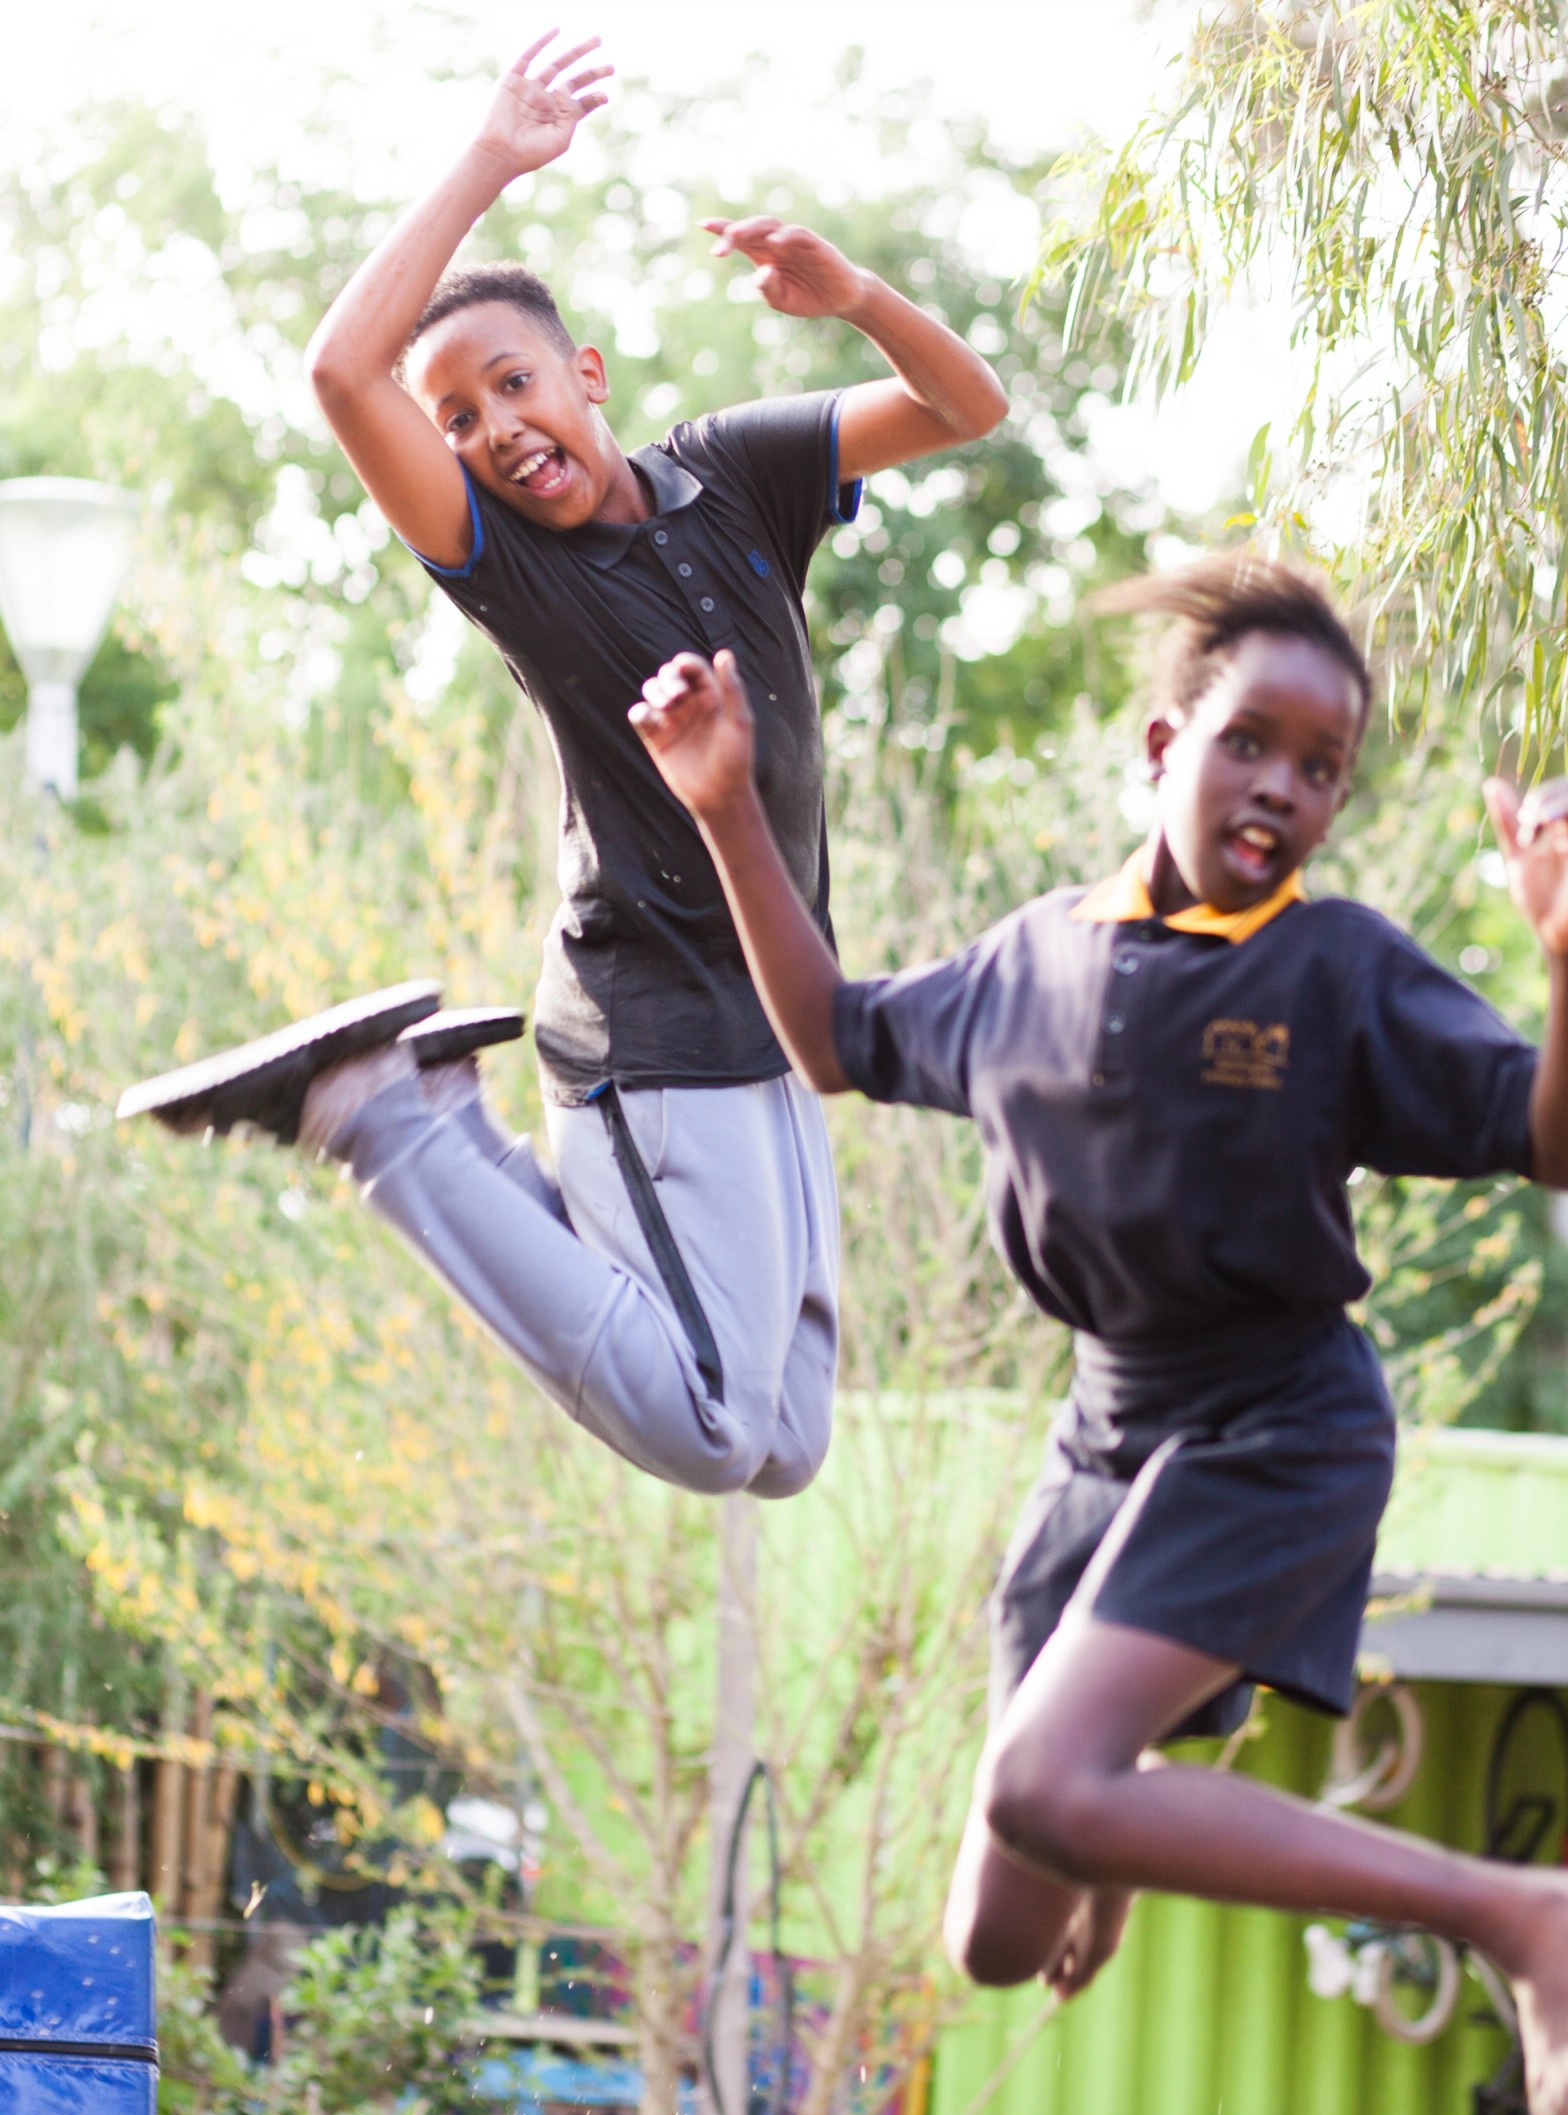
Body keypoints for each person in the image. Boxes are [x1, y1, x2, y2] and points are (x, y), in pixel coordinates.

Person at [625, 557, 1568, 2115]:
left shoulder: (1337, 970)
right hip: (1104, 1441)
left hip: (1278, 1425)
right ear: (1163, 748)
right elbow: (833, 1037)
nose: (1282, 785)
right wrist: (726, 803)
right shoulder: (1032, 961)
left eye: (1322, 766)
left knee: (1043, 1787)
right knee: (995, 1936)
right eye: (1250, 741)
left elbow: (1561, 1142)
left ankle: (1533, 1914)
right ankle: (1120, 1799)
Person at [119, 29, 1006, 1500]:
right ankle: (379, 1119)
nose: (495, 430)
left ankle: (436, 1119)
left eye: (512, 384)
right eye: (458, 420)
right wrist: (492, 157)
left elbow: (970, 408)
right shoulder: (506, 565)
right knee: (713, 1427)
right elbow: (340, 369)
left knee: (785, 1443)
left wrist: (856, 298)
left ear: (584, 372)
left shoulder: (736, 472)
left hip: (779, 1013)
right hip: (647, 1030)